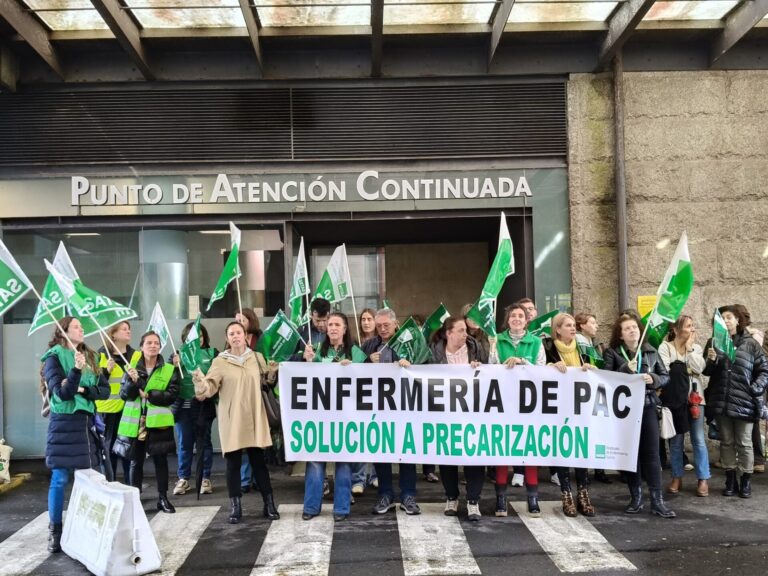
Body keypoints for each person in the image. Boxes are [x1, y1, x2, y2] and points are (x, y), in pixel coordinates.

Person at [194, 321, 280, 524]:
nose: (235, 336)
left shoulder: (257, 358)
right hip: (232, 417)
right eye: (231, 333)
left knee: (259, 462)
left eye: (238, 332)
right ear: (227, 338)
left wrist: (272, 373)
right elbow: (210, 388)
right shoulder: (219, 361)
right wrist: (200, 381)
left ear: (246, 336)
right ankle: (236, 506)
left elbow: (266, 383)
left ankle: (269, 504)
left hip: (254, 415)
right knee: (232, 462)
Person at [42, 317, 110, 553]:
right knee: (60, 479)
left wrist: (84, 388)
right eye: (77, 326)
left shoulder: (91, 356)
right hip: (63, 425)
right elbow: (63, 393)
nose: (82, 329)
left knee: (90, 480)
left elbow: (104, 392)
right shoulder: (53, 358)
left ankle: (89, 530)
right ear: (63, 331)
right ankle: (55, 531)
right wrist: (76, 370)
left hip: (86, 425)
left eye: (82, 327)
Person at [604, 312, 675, 518]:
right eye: (627, 328)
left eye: (634, 327)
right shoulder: (613, 353)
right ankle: (636, 498)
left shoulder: (650, 351)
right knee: (630, 455)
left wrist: (653, 378)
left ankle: (657, 501)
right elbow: (605, 379)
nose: (632, 330)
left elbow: (665, 376)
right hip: (624, 411)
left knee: (652, 454)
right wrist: (626, 368)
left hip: (647, 406)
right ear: (621, 335)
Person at [703, 305, 768, 498]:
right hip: (722, 401)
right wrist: (711, 361)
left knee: (744, 442)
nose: (726, 321)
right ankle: (730, 479)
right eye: (722, 318)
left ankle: (745, 481)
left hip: (744, 401)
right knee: (727, 442)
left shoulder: (750, 344)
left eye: (729, 317)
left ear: (738, 320)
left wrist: (755, 389)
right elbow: (707, 372)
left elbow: (764, 370)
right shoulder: (714, 342)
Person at [363, 308, 422, 515]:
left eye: (386, 325)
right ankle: (385, 494)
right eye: (378, 326)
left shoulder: (408, 341)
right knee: (382, 452)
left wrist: (410, 365)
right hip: (379, 408)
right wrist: (368, 361)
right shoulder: (370, 345)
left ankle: (408, 495)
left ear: (396, 323)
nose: (382, 329)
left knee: (406, 451)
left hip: (407, 406)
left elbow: (426, 362)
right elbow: (356, 374)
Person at [430, 316, 488, 521]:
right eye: (461, 330)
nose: (466, 334)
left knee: (474, 456)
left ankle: (473, 500)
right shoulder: (435, 352)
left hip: (473, 411)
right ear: (449, 333)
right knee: (448, 456)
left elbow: (490, 371)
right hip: (445, 412)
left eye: (466, 330)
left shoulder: (477, 348)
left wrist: (481, 367)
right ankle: (451, 497)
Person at [301, 312, 357, 521]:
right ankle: (311, 507)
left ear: (344, 329)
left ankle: (341, 508)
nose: (332, 327)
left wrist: (353, 368)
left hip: (346, 417)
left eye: (337, 324)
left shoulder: (356, 353)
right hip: (319, 417)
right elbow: (301, 376)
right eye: (330, 324)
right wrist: (305, 361)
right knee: (315, 460)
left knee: (343, 462)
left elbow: (367, 380)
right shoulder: (314, 352)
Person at [119, 331, 180, 514]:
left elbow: (173, 394)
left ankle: (163, 498)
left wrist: (151, 395)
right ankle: (135, 500)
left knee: (161, 461)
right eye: (149, 343)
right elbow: (124, 395)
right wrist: (132, 381)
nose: (153, 346)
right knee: (135, 462)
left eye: (156, 343)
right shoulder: (131, 368)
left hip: (158, 423)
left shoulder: (169, 369)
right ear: (142, 346)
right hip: (136, 423)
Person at [543, 313, 597, 517]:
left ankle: (583, 493)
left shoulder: (583, 347)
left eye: (574, 325)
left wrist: (590, 368)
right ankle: (566, 494)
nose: (573, 328)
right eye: (568, 325)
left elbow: (598, 369)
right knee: (563, 448)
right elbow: (538, 371)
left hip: (580, 406)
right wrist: (550, 367)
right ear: (557, 329)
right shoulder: (548, 347)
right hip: (558, 407)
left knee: (580, 448)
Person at [493, 303, 543, 516]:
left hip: (528, 404)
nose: (516, 319)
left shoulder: (536, 342)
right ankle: (501, 498)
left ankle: (532, 497)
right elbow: (491, 367)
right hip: (503, 402)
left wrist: (522, 362)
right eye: (513, 315)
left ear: (526, 320)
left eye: (520, 316)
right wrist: (504, 365)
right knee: (503, 449)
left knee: (529, 448)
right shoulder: (497, 341)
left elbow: (542, 369)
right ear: (508, 319)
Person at [658, 315, 710, 497]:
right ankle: (676, 476)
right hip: (674, 400)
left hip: (695, 398)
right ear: (676, 329)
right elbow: (664, 370)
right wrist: (683, 368)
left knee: (698, 439)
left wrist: (689, 350)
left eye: (692, 325)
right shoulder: (665, 347)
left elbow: (700, 368)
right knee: (676, 440)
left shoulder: (694, 347)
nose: (692, 329)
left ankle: (703, 478)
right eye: (689, 326)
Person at [172, 321, 218, 496]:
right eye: (193, 337)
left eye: (200, 336)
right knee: (184, 443)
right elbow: (170, 380)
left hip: (203, 405)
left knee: (204, 442)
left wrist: (207, 391)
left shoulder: (212, 353)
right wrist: (173, 365)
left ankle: (205, 478)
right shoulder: (178, 355)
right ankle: (184, 478)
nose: (197, 339)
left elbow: (217, 377)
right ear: (185, 339)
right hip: (183, 406)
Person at [96, 320, 139, 483]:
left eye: (129, 329)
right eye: (124, 329)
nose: (128, 331)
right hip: (106, 411)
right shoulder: (100, 355)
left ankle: (131, 490)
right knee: (108, 454)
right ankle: (110, 488)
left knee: (128, 452)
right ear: (113, 334)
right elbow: (94, 383)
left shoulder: (135, 355)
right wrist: (105, 372)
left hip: (127, 411)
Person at [574, 312, 611, 484]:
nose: (596, 326)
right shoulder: (580, 343)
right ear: (581, 325)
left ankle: (598, 468)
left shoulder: (594, 343)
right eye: (592, 323)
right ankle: (591, 469)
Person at [731, 304, 766, 474]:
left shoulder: (754, 337)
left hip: (752, 386)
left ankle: (758, 458)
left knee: (752, 424)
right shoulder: (734, 337)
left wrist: (756, 387)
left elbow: (762, 363)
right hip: (744, 386)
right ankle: (753, 459)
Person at [352, 308, 378, 494]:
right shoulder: (355, 343)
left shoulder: (382, 343)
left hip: (379, 396)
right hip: (360, 395)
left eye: (370, 319)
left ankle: (376, 476)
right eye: (363, 319)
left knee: (376, 436)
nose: (366, 322)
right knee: (360, 436)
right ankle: (359, 478)